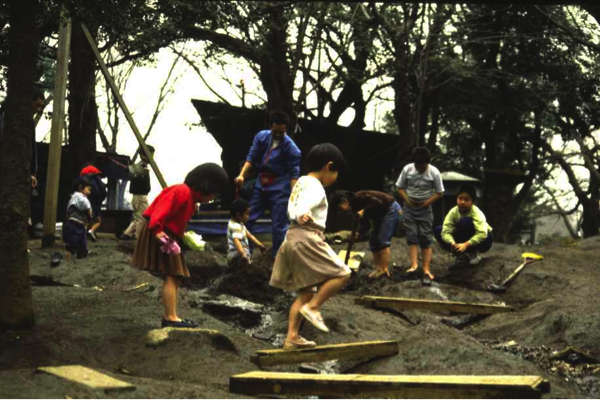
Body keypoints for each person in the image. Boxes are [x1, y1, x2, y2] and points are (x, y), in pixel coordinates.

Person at [270, 143, 351, 350]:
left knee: (305, 293)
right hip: (307, 236)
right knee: (343, 273)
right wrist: (303, 213)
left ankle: (292, 337)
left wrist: (299, 214)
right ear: (328, 166)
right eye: (336, 173)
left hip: (292, 237)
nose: (335, 178)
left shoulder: (300, 183)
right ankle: (314, 308)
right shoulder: (315, 186)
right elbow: (304, 205)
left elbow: (293, 206)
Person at [131, 163, 229, 328]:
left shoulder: (192, 199)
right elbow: (161, 210)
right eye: (215, 192)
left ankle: (171, 315)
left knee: (175, 275)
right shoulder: (182, 191)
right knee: (174, 274)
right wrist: (157, 230)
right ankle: (170, 317)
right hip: (161, 233)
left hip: (168, 235)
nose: (214, 198)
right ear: (207, 185)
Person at [234, 111, 301, 256]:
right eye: (275, 131)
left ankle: (278, 257)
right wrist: (241, 175)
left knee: (279, 225)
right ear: (270, 126)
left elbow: (294, 174)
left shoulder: (292, 149)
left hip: (280, 187)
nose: (277, 134)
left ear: (286, 129)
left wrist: (294, 196)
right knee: (247, 218)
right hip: (261, 183)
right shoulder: (261, 137)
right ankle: (245, 254)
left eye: (281, 132)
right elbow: (251, 157)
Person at [396, 147, 444, 285]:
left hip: (425, 208)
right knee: (412, 235)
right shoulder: (408, 169)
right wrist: (407, 200)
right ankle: (414, 265)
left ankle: (426, 269)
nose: (421, 169)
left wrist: (427, 203)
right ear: (415, 163)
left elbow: (440, 192)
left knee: (425, 236)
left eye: (423, 166)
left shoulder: (434, 172)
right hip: (409, 207)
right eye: (419, 166)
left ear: (428, 163)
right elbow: (399, 187)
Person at [0, 90, 45, 235]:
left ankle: (30, 223)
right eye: (37, 104)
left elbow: (32, 148)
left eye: (41, 106)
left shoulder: (28, 121)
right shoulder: (10, 117)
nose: (39, 109)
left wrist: (33, 171)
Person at [330, 190, 402, 279]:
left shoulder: (361, 196)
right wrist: (358, 233)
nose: (341, 210)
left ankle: (384, 270)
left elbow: (378, 202)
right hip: (381, 214)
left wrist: (364, 210)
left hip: (390, 208)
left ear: (345, 201)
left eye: (340, 207)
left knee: (382, 240)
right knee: (373, 241)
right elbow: (365, 224)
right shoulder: (354, 208)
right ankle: (379, 269)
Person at [434, 184, 493, 267]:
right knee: (438, 230)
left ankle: (473, 252)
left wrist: (466, 244)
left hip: (484, 240)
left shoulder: (477, 213)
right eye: (460, 198)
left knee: (465, 222)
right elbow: (445, 232)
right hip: (463, 237)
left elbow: (482, 234)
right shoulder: (453, 212)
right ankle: (460, 254)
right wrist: (452, 242)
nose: (462, 202)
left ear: (472, 202)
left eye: (466, 199)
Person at [120, 145, 155, 240]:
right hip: (140, 196)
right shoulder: (141, 166)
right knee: (142, 218)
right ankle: (139, 238)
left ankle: (127, 234)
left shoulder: (140, 166)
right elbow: (137, 170)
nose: (152, 158)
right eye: (151, 155)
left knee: (138, 217)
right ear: (144, 155)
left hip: (138, 197)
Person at [227, 198, 267, 266]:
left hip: (240, 256)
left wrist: (260, 245)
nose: (248, 216)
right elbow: (236, 240)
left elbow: (250, 235)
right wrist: (243, 254)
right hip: (237, 257)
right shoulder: (235, 226)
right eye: (247, 214)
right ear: (238, 214)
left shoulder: (239, 224)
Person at [63, 177, 93, 262]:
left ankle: (79, 258)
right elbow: (87, 207)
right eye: (88, 189)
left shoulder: (76, 197)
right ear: (80, 188)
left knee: (81, 246)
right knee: (71, 246)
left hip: (80, 226)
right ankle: (68, 261)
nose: (89, 192)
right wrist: (90, 214)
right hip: (73, 225)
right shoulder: (78, 196)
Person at [80, 164, 107, 242]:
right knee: (97, 220)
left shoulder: (81, 178)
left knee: (86, 218)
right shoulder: (96, 178)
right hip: (95, 202)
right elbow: (103, 190)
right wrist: (100, 200)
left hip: (83, 202)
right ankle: (91, 231)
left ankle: (82, 234)